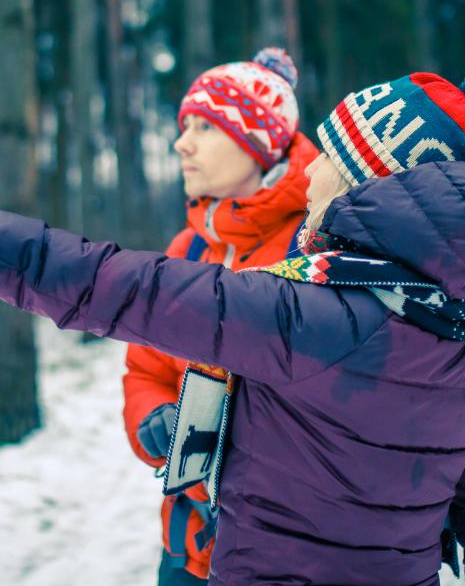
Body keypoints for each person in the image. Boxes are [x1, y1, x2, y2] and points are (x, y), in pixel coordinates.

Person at [0, 67, 465, 585]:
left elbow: (112, 285)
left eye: (329, 155)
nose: (310, 167)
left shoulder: (302, 316)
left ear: (367, 184)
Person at [122, 48, 318, 585]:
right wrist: (152, 419)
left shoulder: (315, 248)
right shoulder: (186, 249)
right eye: (185, 125)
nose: (181, 143)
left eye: (204, 126)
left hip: (290, 559)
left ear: (258, 143)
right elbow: (147, 371)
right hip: (188, 550)